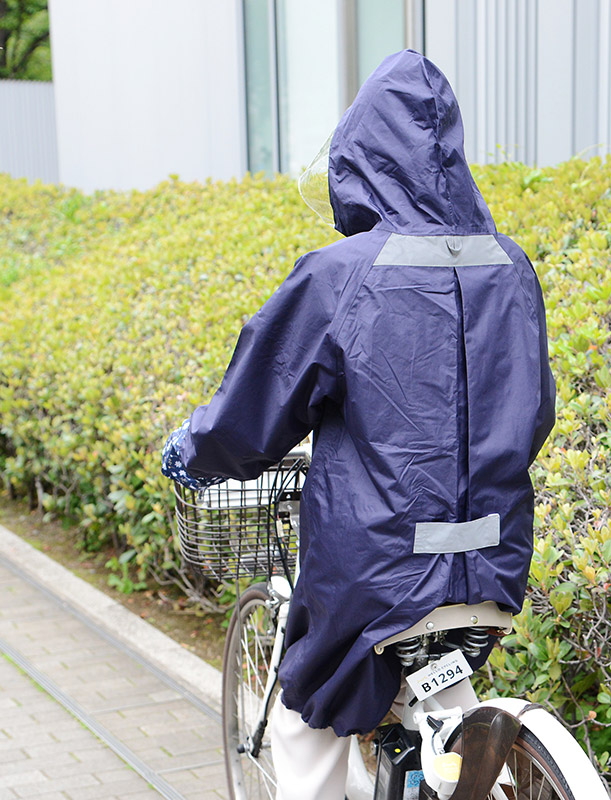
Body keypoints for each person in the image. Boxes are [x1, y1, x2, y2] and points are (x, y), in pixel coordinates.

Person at [162, 49, 556, 799]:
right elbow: (533, 414)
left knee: (305, 716)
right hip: (494, 561)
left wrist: (195, 450)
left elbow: (259, 403)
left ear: (361, 156)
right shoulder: (511, 267)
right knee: (445, 705)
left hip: (377, 571)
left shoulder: (343, 273)